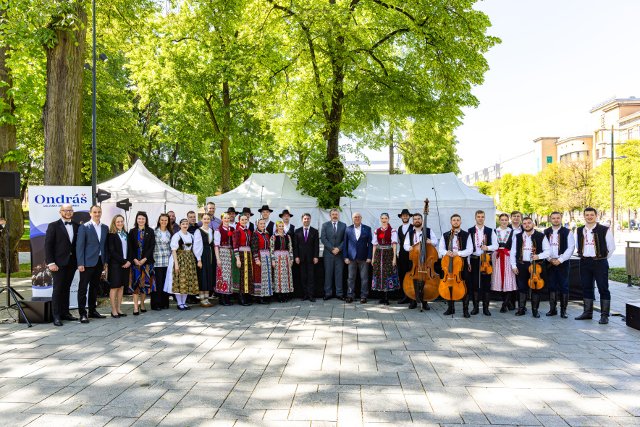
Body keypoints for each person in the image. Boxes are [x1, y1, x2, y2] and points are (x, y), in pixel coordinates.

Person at [574, 207, 615, 324]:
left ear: (596, 216)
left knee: (603, 288)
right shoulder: (579, 229)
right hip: (585, 262)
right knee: (586, 287)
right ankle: (587, 312)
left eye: (591, 215)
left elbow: (611, 248)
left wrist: (601, 258)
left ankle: (604, 315)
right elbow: (578, 245)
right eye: (587, 215)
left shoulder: (604, 229)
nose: (589, 217)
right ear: (584, 216)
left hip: (599, 262)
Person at [44, 203, 80, 326]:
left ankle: (66, 313)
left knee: (67, 288)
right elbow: (48, 245)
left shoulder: (76, 226)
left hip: (72, 263)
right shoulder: (53, 226)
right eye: (65, 210)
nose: (68, 212)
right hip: (58, 264)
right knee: (58, 289)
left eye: (70, 210)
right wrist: (51, 263)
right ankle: (56, 316)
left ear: (73, 212)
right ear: (60, 212)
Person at [510, 217, 551, 318]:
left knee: (536, 287)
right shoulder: (518, 236)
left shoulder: (541, 236)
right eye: (524, 223)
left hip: (536, 266)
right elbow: (513, 252)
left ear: (533, 224)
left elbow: (548, 251)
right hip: (522, 264)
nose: (527, 225)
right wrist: (513, 265)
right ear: (522, 225)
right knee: (522, 287)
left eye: (529, 223)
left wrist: (538, 256)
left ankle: (535, 310)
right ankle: (521, 309)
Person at [76, 205, 109, 323]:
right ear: (90, 213)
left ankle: (92, 311)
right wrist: (80, 263)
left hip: (99, 262)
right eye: (95, 212)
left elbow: (105, 246)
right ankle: (82, 313)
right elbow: (79, 246)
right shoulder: (84, 227)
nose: (97, 214)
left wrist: (105, 261)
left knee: (94, 287)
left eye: (99, 212)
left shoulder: (105, 228)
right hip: (87, 262)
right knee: (83, 288)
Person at [438, 214, 473, 318]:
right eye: (454, 220)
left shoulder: (466, 235)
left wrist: (458, 253)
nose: (456, 222)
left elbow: (470, 250)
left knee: (465, 286)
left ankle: (465, 310)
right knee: (449, 284)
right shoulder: (445, 235)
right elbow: (440, 249)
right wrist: (447, 252)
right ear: (451, 222)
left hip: (462, 264)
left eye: (458, 220)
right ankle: (450, 308)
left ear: (460, 222)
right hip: (448, 264)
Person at [403, 212, 439, 310]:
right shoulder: (410, 232)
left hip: (427, 261)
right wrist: (410, 248)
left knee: (424, 279)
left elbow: (436, 242)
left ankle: (425, 301)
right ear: (413, 221)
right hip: (415, 260)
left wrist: (430, 241)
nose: (417, 220)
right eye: (415, 219)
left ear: (422, 220)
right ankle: (413, 300)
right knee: (414, 279)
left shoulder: (429, 230)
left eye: (419, 218)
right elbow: (405, 245)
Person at [165, 219, 202, 310]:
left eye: (186, 224)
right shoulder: (177, 236)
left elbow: (195, 249)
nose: (185, 225)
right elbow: (173, 250)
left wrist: (198, 259)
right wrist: (176, 264)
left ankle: (184, 302)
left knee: (187, 280)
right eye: (183, 224)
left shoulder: (191, 236)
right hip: (179, 259)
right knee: (179, 280)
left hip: (189, 260)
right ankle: (179, 303)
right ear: (180, 225)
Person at [544, 212, 575, 318]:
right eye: (553, 218)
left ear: (561, 219)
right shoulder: (546, 232)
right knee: (551, 285)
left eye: (558, 218)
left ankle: (563, 310)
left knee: (564, 286)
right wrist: (549, 259)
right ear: (550, 219)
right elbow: (543, 247)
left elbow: (570, 248)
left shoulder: (567, 232)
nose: (556, 220)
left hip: (563, 263)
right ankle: (552, 309)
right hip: (550, 263)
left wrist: (560, 260)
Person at [468, 210, 498, 316]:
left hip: (486, 260)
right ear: (475, 218)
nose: (480, 218)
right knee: (475, 284)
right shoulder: (470, 230)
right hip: (475, 259)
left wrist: (488, 247)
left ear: (484, 218)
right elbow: (468, 248)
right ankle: (475, 308)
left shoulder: (490, 230)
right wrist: (468, 262)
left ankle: (486, 308)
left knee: (486, 284)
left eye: (482, 217)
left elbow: (496, 245)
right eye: (478, 216)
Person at [128, 211, 156, 315]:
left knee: (145, 285)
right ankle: (135, 307)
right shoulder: (132, 231)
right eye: (139, 218)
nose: (141, 220)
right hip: (135, 262)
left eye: (143, 219)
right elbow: (129, 247)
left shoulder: (150, 231)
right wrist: (134, 259)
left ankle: (142, 304)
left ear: (146, 220)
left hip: (147, 262)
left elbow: (151, 246)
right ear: (136, 219)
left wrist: (144, 259)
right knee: (136, 285)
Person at [342, 212, 372, 304]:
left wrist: (369, 256)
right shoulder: (348, 229)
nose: (357, 218)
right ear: (352, 218)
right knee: (351, 278)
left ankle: (363, 296)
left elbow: (370, 244)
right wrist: (345, 257)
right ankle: (350, 295)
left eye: (358, 217)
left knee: (364, 278)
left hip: (364, 257)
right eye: (355, 217)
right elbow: (345, 244)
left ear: (361, 218)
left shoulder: (367, 229)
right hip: (351, 258)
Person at [491, 213, 517, 312]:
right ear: (499, 220)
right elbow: (493, 244)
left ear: (508, 221)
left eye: (506, 220)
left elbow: (514, 246)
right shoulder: (495, 231)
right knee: (499, 280)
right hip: (497, 256)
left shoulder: (512, 232)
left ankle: (504, 304)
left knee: (508, 280)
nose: (504, 222)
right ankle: (507, 302)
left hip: (508, 256)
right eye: (502, 220)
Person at [371, 213, 400, 305]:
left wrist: (394, 257)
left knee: (387, 274)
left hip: (388, 253)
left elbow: (394, 244)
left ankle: (386, 297)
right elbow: (374, 245)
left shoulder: (393, 231)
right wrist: (373, 257)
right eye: (382, 218)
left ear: (388, 219)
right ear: (380, 219)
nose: (384, 220)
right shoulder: (377, 230)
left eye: (386, 218)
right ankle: (381, 297)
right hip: (379, 254)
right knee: (379, 273)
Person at [107, 215, 130, 318]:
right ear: (114, 223)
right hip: (116, 265)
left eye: (121, 221)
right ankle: (113, 310)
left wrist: (128, 261)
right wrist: (123, 261)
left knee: (121, 287)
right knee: (114, 287)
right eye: (117, 222)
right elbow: (112, 251)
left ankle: (119, 309)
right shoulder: (111, 235)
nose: (120, 223)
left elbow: (130, 249)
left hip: (126, 265)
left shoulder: (126, 234)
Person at [321, 208, 346, 300]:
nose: (335, 216)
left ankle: (339, 293)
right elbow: (323, 239)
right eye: (333, 214)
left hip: (339, 254)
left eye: (336, 214)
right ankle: (328, 293)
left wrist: (339, 248)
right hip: (328, 254)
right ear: (330, 215)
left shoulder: (343, 225)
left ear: (338, 215)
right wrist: (332, 249)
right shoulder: (325, 225)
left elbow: (345, 239)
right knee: (328, 274)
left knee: (339, 274)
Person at [293, 213, 320, 301]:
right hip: (301, 258)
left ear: (310, 220)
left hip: (311, 258)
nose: (306, 220)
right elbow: (295, 245)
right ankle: (305, 294)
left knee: (311, 277)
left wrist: (316, 256)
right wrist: (296, 256)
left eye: (308, 219)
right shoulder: (297, 231)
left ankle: (311, 295)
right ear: (302, 220)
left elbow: (316, 245)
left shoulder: (314, 231)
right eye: (305, 219)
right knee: (303, 277)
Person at [270, 221, 294, 302]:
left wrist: (291, 259)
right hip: (277, 258)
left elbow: (290, 248)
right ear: (276, 227)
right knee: (278, 277)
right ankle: (279, 295)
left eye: (282, 226)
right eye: (279, 226)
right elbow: (271, 249)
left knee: (286, 277)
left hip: (286, 258)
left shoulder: (288, 236)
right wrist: (273, 260)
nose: (281, 227)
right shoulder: (273, 237)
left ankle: (286, 294)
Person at [215, 213, 235, 306]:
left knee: (229, 275)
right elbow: (216, 246)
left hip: (230, 253)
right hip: (222, 252)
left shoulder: (232, 229)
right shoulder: (218, 230)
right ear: (222, 219)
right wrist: (218, 259)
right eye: (225, 218)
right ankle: (222, 298)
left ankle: (227, 296)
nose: (227, 220)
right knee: (223, 275)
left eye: (228, 218)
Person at [234, 214, 254, 305]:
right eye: (242, 219)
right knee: (242, 275)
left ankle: (247, 295)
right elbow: (235, 246)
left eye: (246, 219)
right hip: (241, 255)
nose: (244, 221)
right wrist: (237, 259)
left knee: (248, 275)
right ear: (239, 220)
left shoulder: (249, 231)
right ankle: (241, 297)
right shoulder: (237, 231)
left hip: (248, 254)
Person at [252, 218, 273, 303]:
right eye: (261, 224)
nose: (262, 225)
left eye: (264, 224)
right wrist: (256, 259)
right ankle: (259, 297)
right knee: (259, 276)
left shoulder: (266, 234)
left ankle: (266, 295)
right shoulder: (255, 234)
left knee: (266, 276)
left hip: (267, 257)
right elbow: (254, 248)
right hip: (260, 257)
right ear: (257, 225)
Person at [153, 213, 172, 310]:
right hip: (157, 261)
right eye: (162, 220)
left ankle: (165, 303)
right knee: (158, 283)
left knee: (166, 282)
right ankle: (156, 303)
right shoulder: (154, 232)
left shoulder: (170, 232)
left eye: (166, 220)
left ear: (168, 221)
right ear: (159, 221)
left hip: (167, 261)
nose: (164, 222)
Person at [196, 213, 215, 307]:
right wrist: (199, 259)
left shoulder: (211, 230)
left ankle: (207, 298)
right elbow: (197, 246)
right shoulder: (198, 231)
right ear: (201, 220)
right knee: (202, 276)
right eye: (205, 219)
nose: (206, 220)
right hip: (202, 254)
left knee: (208, 276)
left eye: (208, 219)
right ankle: (202, 299)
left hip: (210, 254)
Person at [396, 208, 414, 304]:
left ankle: (412, 296)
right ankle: (405, 295)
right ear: (401, 217)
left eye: (407, 215)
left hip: (412, 254)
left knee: (411, 274)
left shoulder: (413, 227)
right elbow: (399, 241)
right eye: (403, 215)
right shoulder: (399, 228)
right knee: (403, 275)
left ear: (409, 217)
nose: (405, 216)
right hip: (402, 254)